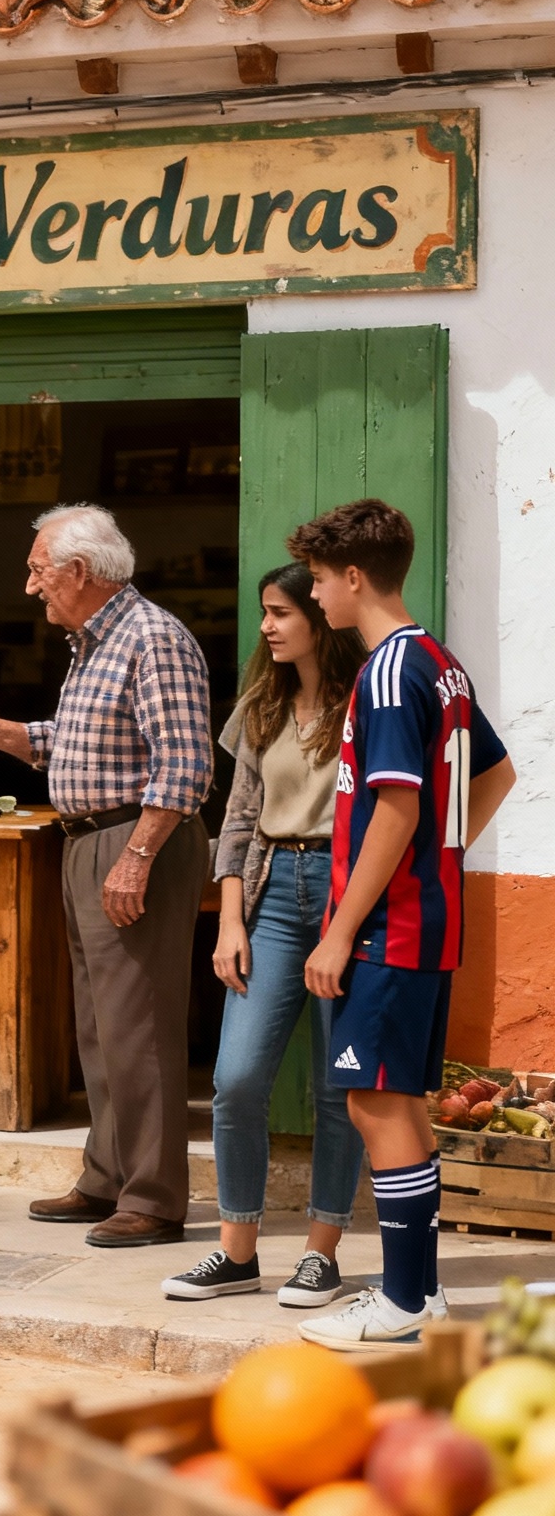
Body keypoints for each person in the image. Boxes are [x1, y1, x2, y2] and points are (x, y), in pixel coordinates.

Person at [0, 503, 213, 1250]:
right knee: (100, 1027)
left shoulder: (152, 638)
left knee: (141, 1026)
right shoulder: (96, 642)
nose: (31, 588)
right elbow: (92, 743)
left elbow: (185, 765)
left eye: (37, 571)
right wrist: (0, 733)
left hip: (134, 841)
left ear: (80, 572)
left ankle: (154, 1200)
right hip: (91, 837)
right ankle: (107, 1177)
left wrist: (137, 855)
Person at [287, 500, 514, 1351]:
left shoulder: (387, 671)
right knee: (399, 1105)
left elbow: (395, 805)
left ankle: (403, 1300)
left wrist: (340, 930)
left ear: (353, 576)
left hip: (388, 929)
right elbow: (495, 775)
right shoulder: (440, 664)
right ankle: (420, 1294)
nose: (313, 598)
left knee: (374, 1103)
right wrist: (439, 862)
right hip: (428, 919)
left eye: (316, 581)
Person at [161, 564, 366, 1309]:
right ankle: (237, 1252)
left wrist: (345, 926)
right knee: (237, 1078)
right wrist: (231, 920)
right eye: (264, 614)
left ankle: (321, 1252)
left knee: (338, 1089)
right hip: (275, 892)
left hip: (350, 902)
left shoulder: (367, 704)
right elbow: (239, 821)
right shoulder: (261, 707)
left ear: (319, 615)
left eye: (280, 612)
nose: (268, 627)